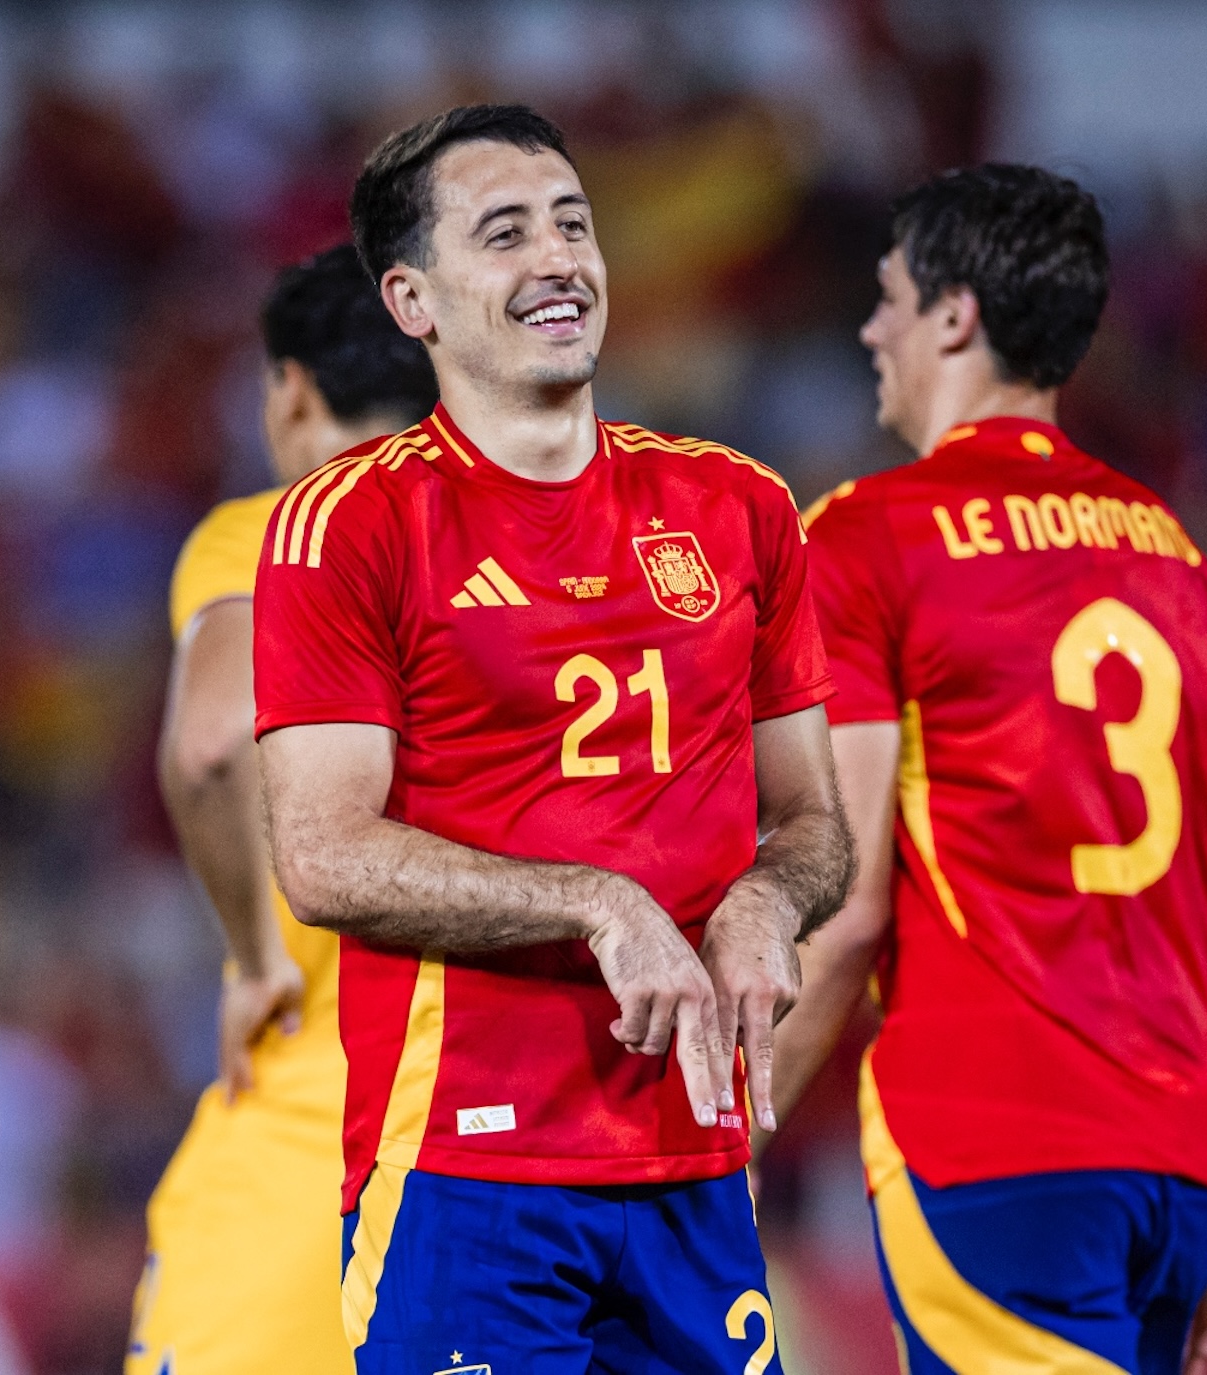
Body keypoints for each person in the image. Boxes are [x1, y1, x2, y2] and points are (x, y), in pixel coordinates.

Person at [252, 104, 854, 1374]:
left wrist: (764, 901)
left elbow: (815, 827)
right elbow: (320, 857)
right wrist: (599, 905)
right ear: (412, 300)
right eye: (507, 232)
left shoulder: (739, 506)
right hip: (468, 1172)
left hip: (694, 1156)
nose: (560, 259)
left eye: (575, 225)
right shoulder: (347, 528)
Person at [769, 164, 1207, 1375]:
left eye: (889, 296)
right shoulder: (1182, 562)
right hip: (1192, 1173)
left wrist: (712, 1145)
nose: (871, 329)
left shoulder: (861, 537)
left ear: (955, 316)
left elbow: (846, 906)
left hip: (997, 1152)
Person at [128, 244, 440, 1375]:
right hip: (527, 1137)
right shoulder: (537, 544)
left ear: (292, 389)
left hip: (318, 1122)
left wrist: (257, 954)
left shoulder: (274, 529)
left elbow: (211, 743)